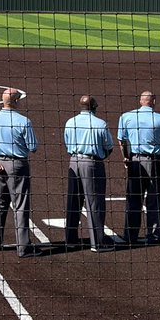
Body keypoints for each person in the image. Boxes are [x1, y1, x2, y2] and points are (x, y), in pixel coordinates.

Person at [0, 87, 40, 257]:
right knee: (20, 205)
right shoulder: (24, 121)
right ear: (15, 101)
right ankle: (23, 247)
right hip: (18, 166)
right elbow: (33, 147)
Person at [117, 90, 160, 245]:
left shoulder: (126, 117)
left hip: (134, 161)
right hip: (153, 162)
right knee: (154, 200)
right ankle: (154, 235)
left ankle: (130, 235)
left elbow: (121, 140)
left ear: (140, 101)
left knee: (133, 199)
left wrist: (125, 157)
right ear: (154, 102)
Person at [62, 95, 114, 252]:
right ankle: (98, 242)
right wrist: (100, 156)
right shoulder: (100, 124)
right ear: (94, 107)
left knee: (73, 201)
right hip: (92, 163)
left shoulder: (70, 122)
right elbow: (108, 146)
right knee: (94, 202)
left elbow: (66, 142)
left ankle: (70, 239)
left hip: (74, 161)